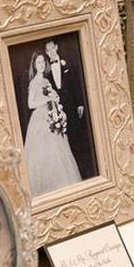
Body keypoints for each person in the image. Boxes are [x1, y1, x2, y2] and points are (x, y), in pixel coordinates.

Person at [24, 50, 82, 197]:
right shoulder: (34, 82)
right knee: (45, 154)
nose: (41, 65)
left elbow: (53, 98)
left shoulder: (46, 81)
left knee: (59, 153)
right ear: (34, 65)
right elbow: (31, 104)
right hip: (40, 121)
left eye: (43, 62)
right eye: (38, 62)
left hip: (51, 117)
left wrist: (56, 101)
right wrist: (47, 100)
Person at [44, 39, 93, 178]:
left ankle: (84, 170)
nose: (51, 51)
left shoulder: (68, 63)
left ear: (56, 47)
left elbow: (76, 83)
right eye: (48, 50)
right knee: (64, 139)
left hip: (72, 106)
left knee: (77, 136)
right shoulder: (46, 72)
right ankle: (71, 171)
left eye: (52, 48)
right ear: (47, 53)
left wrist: (80, 104)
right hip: (58, 110)